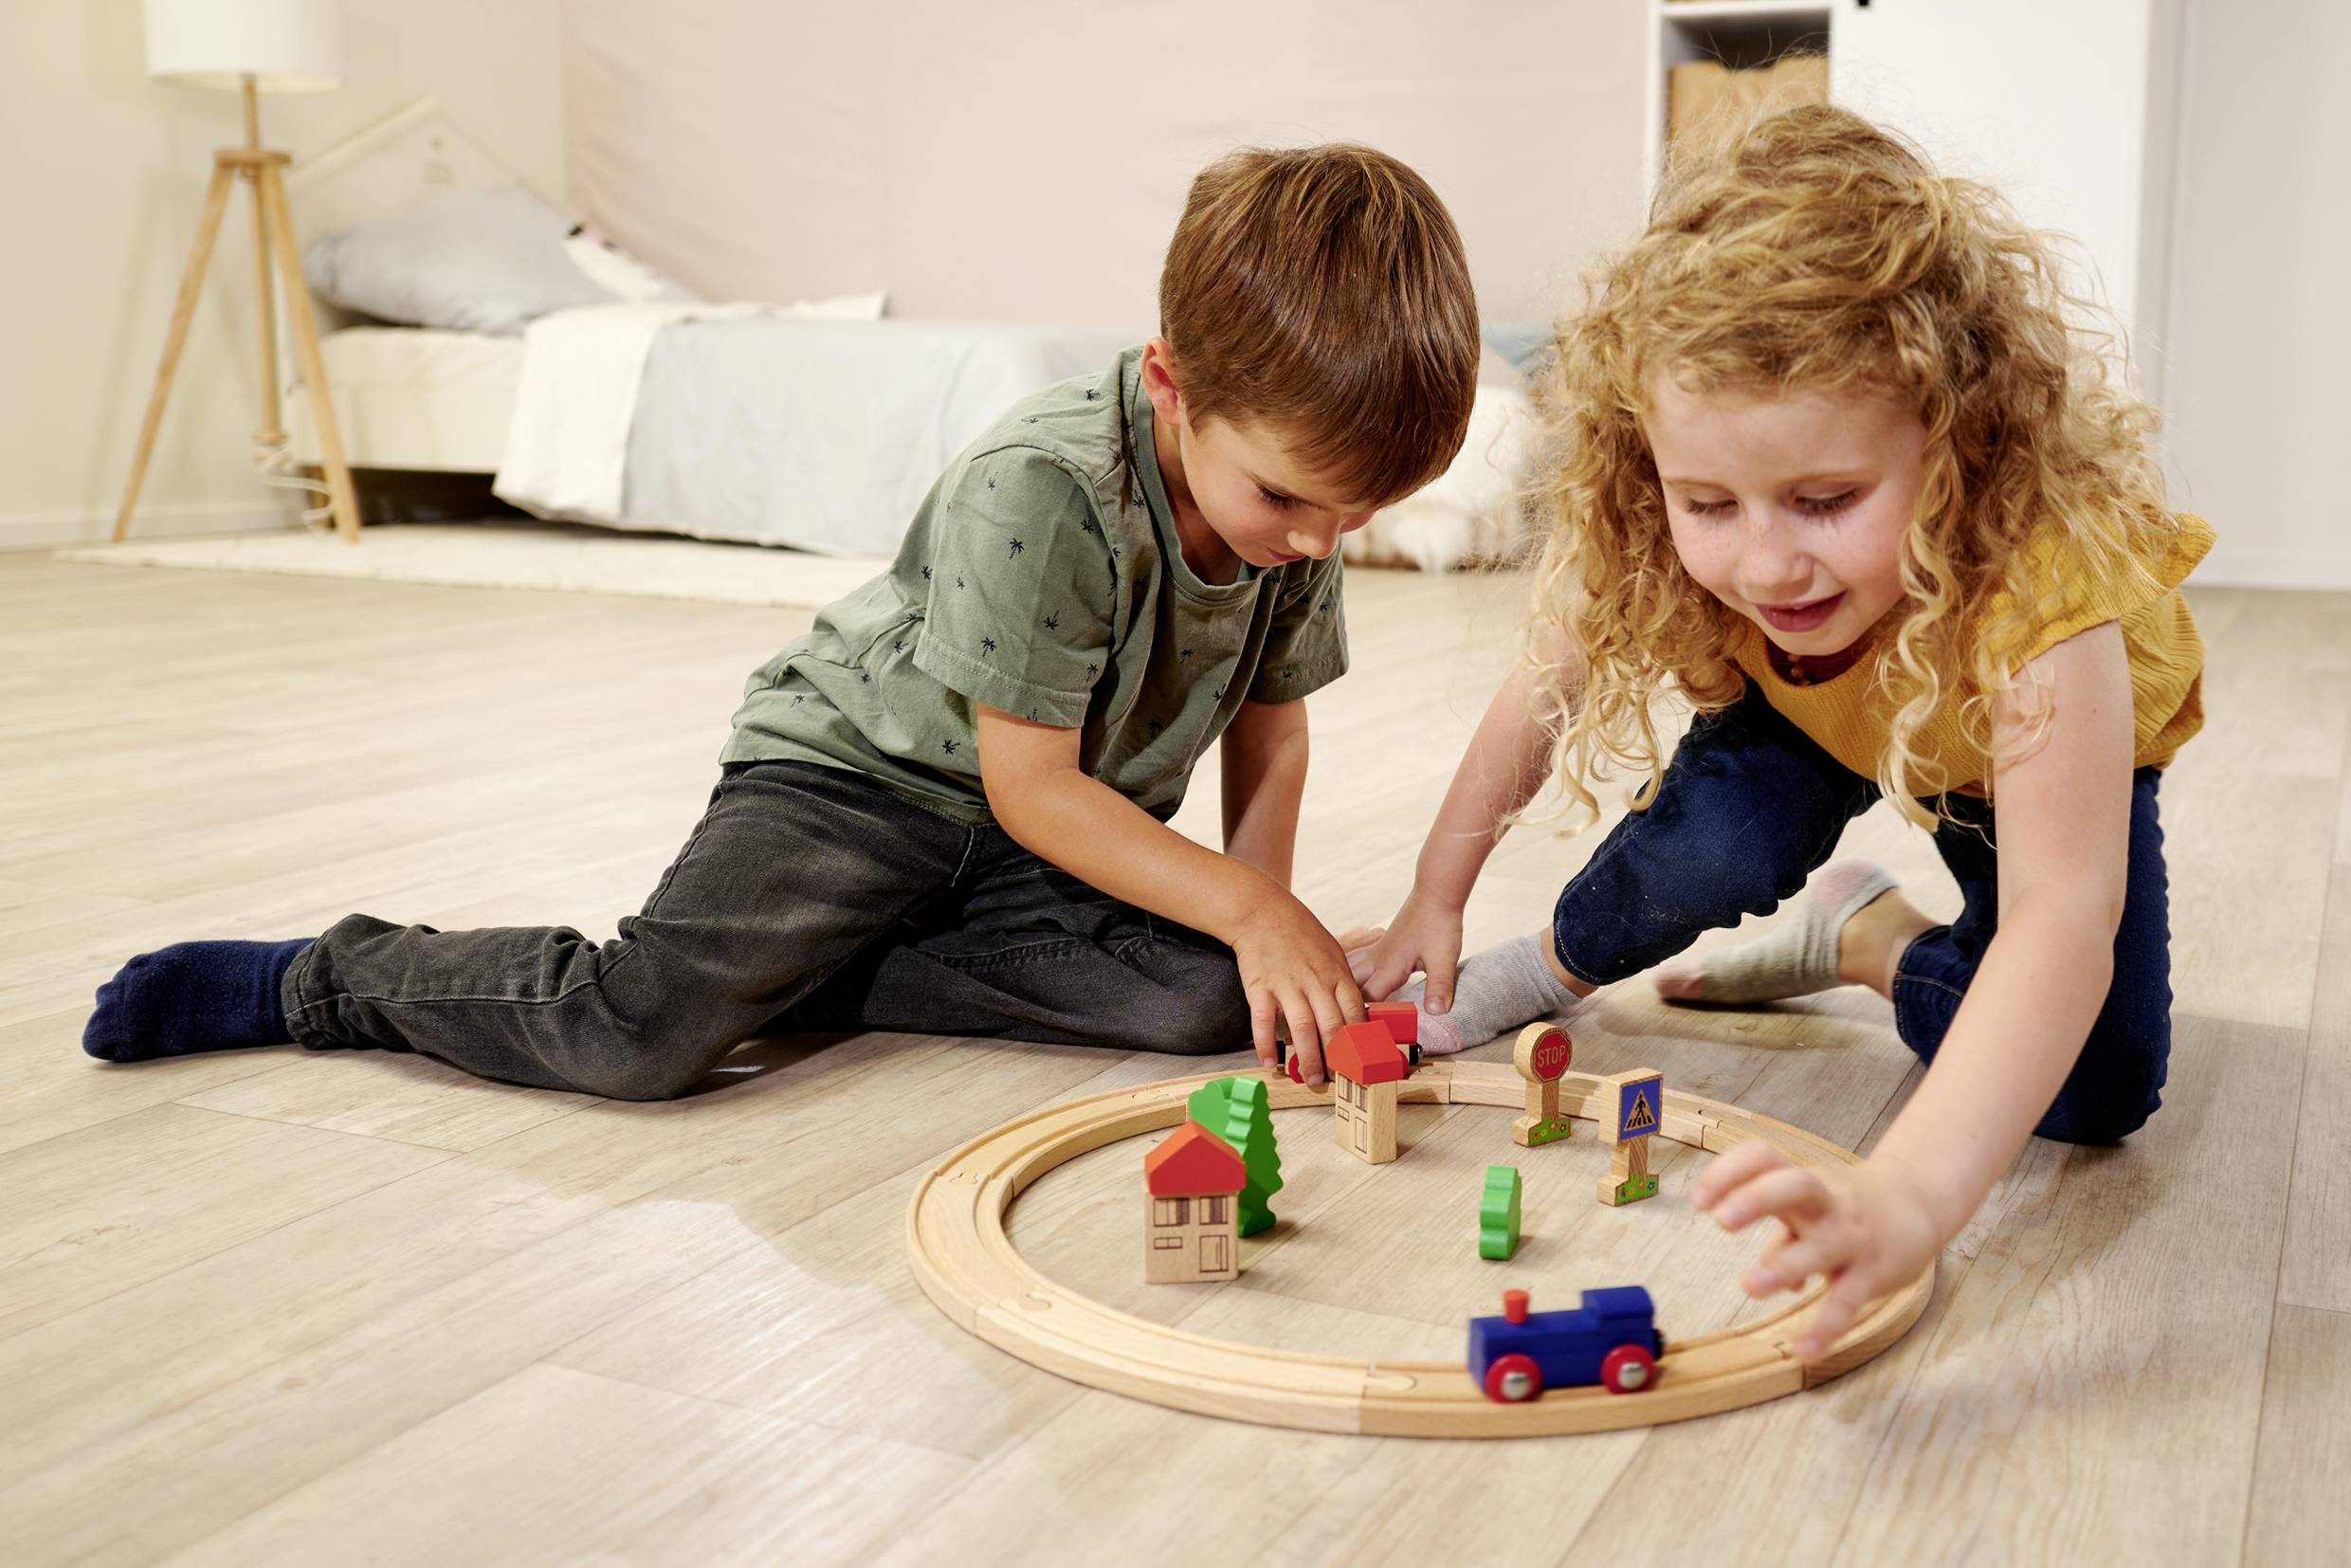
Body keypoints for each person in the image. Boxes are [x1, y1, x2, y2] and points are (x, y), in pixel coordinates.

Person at [83, 143, 1483, 1099]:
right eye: (1295, 502)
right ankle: (327, 980)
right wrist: (1246, 906)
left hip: (1017, 846)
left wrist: (1265, 929)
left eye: (1350, 517)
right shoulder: (1046, 486)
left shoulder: (1300, 510)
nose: (1319, 543)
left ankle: (824, 970)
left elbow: (1272, 735)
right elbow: (1030, 779)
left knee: (1200, 1012)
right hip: (856, 785)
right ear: (1172, 382)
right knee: (640, 1035)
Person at [1354, 106, 2211, 1359]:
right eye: (1711, 503)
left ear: (1954, 438)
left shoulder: (2044, 588)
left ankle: (1870, 936)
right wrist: (1438, 896)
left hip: (2000, 750)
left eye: (1824, 499)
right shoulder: (1678, 522)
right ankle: (1544, 970)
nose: (1766, 562)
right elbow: (1546, 687)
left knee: (2097, 1092)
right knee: (1709, 849)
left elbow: (2058, 919)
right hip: (1810, 710)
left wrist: (1910, 1190)